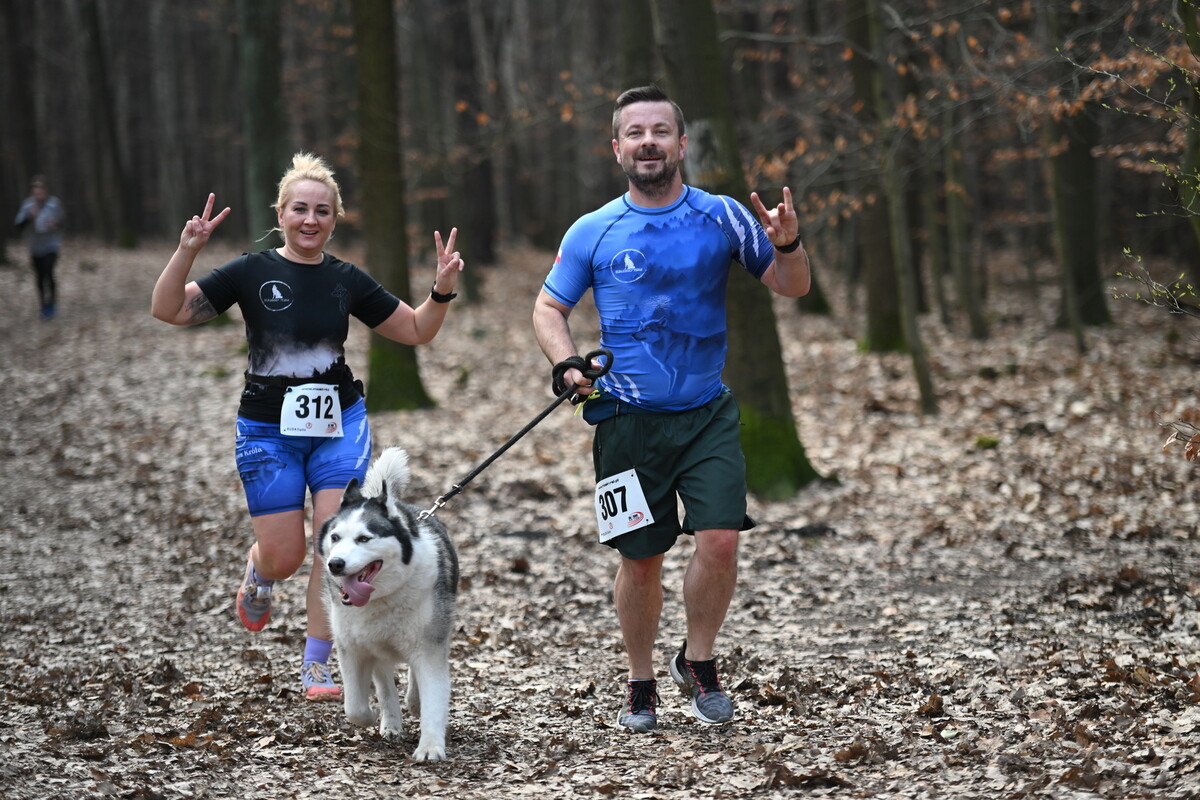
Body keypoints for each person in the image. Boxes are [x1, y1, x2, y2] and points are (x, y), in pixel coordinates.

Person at [532, 86, 810, 732]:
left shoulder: (722, 217)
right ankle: (640, 681)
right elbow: (549, 307)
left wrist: (790, 245)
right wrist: (567, 363)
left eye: (661, 130)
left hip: (706, 413)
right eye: (636, 133)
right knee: (642, 559)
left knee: (718, 539)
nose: (649, 142)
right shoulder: (593, 230)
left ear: (682, 145)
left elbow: (791, 288)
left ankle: (700, 662)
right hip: (625, 422)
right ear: (617, 149)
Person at [151, 152, 464, 701]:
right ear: (281, 213)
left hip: (339, 422)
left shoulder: (346, 280)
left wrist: (440, 290)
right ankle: (260, 569)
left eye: (322, 211)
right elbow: (170, 310)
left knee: (332, 540)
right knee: (287, 554)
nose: (310, 220)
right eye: (300, 209)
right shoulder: (252, 270)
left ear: (335, 218)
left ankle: (319, 662)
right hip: (267, 429)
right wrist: (187, 251)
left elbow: (415, 331)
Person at [14, 175, 66, 319]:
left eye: (41, 190)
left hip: (51, 245)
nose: (39, 193)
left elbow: (63, 221)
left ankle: (52, 303)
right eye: (36, 191)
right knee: (40, 277)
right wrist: (29, 217)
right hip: (35, 247)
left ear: (46, 190)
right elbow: (18, 226)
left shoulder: (54, 204)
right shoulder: (27, 206)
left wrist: (56, 224)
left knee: (49, 272)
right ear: (32, 192)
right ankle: (43, 305)